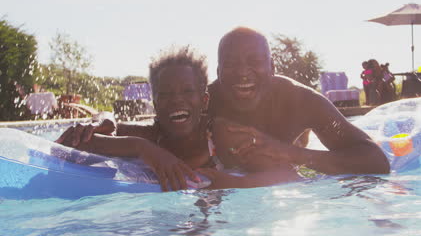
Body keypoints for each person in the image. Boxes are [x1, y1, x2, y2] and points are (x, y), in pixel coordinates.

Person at [58, 27, 390, 188]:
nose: (243, 73)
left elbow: (375, 161)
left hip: (286, 158)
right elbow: (140, 129)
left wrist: (292, 153)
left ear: (272, 66)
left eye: (254, 62)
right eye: (230, 64)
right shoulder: (200, 102)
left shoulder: (300, 102)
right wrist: (107, 123)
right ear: (217, 73)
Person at [63, 46, 299, 191]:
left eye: (187, 92)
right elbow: (71, 142)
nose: (177, 101)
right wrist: (142, 148)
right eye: (165, 94)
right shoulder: (149, 136)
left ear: (204, 101)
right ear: (155, 104)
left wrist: (234, 183)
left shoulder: (221, 136)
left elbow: (289, 174)